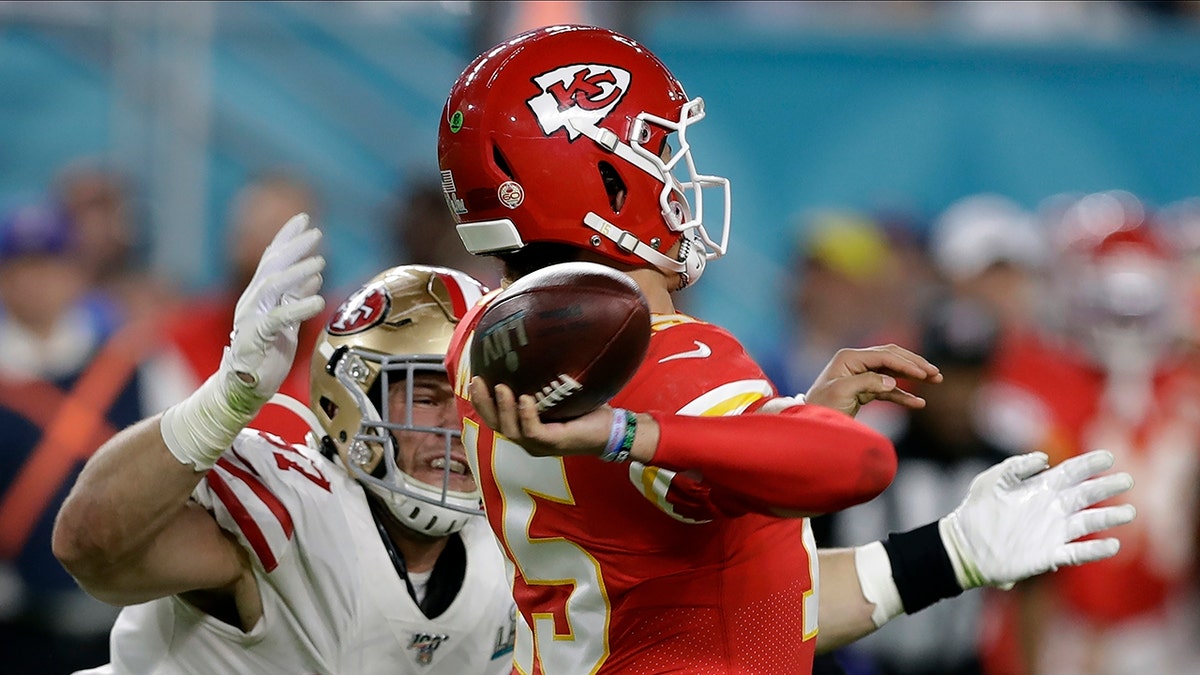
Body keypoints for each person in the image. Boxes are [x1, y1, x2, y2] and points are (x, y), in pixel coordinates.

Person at [435, 24, 1137, 674]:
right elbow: (859, 461)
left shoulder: (483, 338)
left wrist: (952, 551)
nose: (675, 180)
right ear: (606, 181)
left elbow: (750, 608)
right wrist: (648, 430)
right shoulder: (669, 359)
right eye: (654, 151)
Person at [52, 215, 517, 674]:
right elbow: (90, 548)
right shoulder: (293, 508)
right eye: (426, 396)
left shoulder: (512, 546)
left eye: (470, 396)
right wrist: (223, 402)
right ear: (353, 402)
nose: (458, 423)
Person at [0, 200, 187, 673]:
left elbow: (189, 473)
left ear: (76, 273)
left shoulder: (138, 364)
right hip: (15, 628)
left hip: (129, 627)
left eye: (49, 265)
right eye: (19, 267)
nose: (35, 281)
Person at [157, 171, 330, 443]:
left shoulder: (342, 347)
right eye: (264, 234)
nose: (278, 260)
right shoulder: (178, 345)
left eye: (295, 239)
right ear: (234, 242)